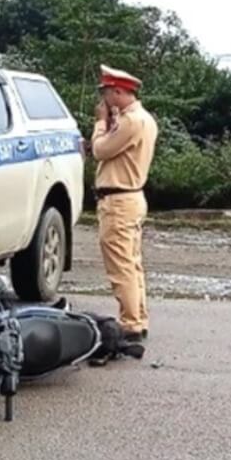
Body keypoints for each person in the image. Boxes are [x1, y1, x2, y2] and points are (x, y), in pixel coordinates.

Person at [89, 64, 158, 356]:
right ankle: (137, 318)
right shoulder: (140, 118)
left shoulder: (131, 122)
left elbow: (100, 150)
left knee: (121, 266)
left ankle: (130, 323)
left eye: (106, 93)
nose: (103, 99)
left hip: (119, 200)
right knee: (131, 263)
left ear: (118, 92)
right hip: (129, 198)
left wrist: (100, 124)